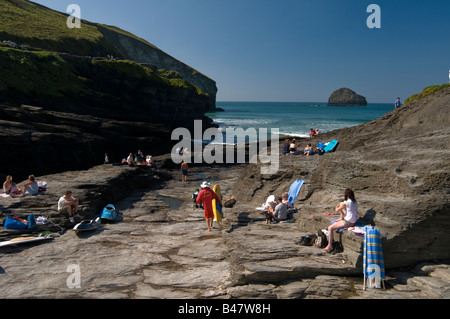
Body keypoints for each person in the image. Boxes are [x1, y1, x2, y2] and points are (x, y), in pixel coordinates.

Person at [323, 188, 359, 253]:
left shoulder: (347, 202)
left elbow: (337, 210)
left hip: (348, 222)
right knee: (342, 208)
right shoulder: (354, 202)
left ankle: (330, 245)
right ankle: (341, 219)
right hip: (354, 221)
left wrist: (337, 206)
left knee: (330, 228)